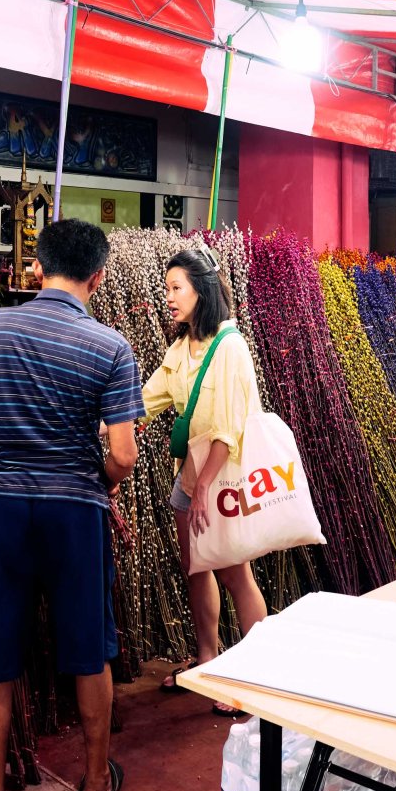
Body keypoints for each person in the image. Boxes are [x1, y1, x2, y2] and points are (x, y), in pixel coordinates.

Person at [0, 219, 145, 791]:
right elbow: (125, 456)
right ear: (99, 276)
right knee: (88, 649)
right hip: (75, 513)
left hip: (2, 508)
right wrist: (99, 480)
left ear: (38, 267)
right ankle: (90, 784)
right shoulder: (112, 348)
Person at [142, 247, 268, 717]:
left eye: (177, 287)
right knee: (197, 567)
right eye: (167, 287)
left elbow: (228, 429)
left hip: (223, 477)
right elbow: (149, 397)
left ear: (202, 288)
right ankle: (207, 660)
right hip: (190, 476)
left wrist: (203, 492)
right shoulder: (182, 347)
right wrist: (103, 418)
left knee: (235, 573)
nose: (168, 296)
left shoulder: (230, 347)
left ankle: (254, 677)